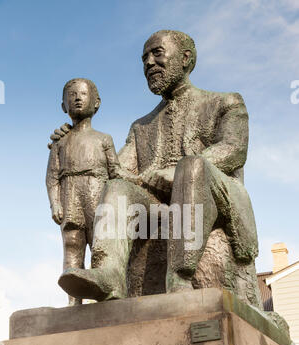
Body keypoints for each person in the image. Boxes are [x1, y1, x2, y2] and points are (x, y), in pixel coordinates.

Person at [51, 30, 258, 303]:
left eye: (156, 53)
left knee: (193, 167)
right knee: (117, 188)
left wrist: (179, 172)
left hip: (216, 200)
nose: (149, 63)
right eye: (144, 58)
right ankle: (110, 273)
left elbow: (233, 150)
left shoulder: (225, 103)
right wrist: (77, 136)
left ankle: (180, 278)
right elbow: (117, 170)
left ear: (185, 58)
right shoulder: (141, 126)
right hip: (156, 207)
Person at [46, 78, 139, 305]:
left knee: (102, 243)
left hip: (98, 193)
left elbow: (116, 171)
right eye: (71, 95)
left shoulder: (104, 139)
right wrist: (55, 203)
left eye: (82, 94)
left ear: (96, 103)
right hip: (70, 195)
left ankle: (103, 293)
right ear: (63, 106)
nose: (77, 98)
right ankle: (73, 300)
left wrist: (140, 181)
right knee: (72, 244)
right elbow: (51, 177)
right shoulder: (59, 143)